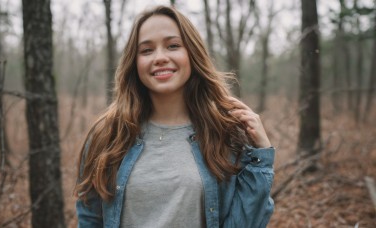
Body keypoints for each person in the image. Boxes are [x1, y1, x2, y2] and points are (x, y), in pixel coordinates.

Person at [74, 5, 275, 228]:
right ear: (135, 62)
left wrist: (261, 155)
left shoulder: (225, 135)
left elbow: (246, 222)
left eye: (173, 46)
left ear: (192, 54)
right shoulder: (108, 135)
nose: (160, 57)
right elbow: (90, 219)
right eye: (147, 50)